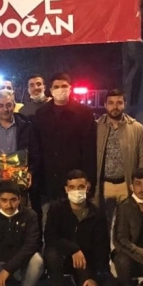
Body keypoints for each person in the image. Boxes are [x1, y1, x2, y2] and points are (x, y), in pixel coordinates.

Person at [44, 170, 120, 286]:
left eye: (80, 187)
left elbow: (102, 248)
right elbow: (50, 237)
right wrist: (73, 249)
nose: (76, 191)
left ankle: (80, 280)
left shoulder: (97, 213)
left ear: (87, 187)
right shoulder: (56, 208)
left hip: (85, 261)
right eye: (72, 187)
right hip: (63, 257)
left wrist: (94, 278)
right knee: (51, 253)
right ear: (66, 189)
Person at [33, 73, 97, 201]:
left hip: (75, 179)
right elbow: (36, 147)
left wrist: (89, 178)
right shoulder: (41, 113)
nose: (60, 89)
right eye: (56, 87)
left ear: (70, 88)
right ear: (50, 90)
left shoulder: (84, 113)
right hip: (49, 180)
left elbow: (89, 150)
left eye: (64, 86)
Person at [0, 90, 40, 217]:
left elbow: (35, 152)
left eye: (8, 105)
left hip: (18, 182)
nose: (5, 109)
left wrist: (31, 172)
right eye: (1, 106)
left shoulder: (26, 127)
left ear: (14, 105)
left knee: (20, 219)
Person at [96, 89, 143, 228]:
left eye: (119, 102)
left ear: (124, 104)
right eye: (111, 103)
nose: (115, 107)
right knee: (103, 226)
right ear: (105, 105)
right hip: (104, 186)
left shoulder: (136, 128)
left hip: (126, 185)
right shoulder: (96, 127)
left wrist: (139, 184)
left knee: (126, 226)